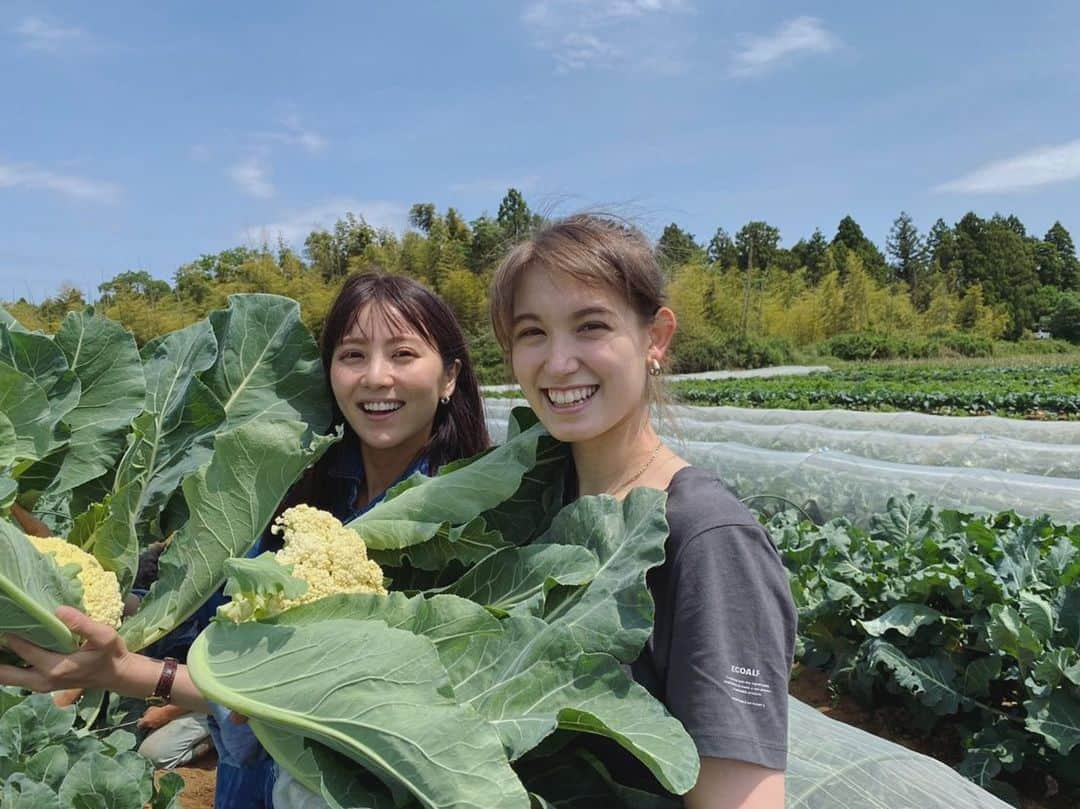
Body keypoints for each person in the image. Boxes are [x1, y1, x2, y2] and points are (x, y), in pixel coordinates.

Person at [0, 271, 490, 808]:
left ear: (449, 377)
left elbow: (289, 690)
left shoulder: (468, 527)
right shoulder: (291, 484)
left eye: (402, 355)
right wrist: (73, 598)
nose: (376, 377)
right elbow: (205, 620)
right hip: (244, 785)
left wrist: (129, 673)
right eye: (353, 355)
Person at [488, 213, 797, 808]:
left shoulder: (707, 539)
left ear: (655, 337)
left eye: (590, 326)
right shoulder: (533, 505)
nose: (557, 363)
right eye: (532, 333)